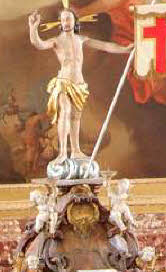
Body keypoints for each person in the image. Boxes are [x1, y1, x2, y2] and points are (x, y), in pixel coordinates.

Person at [28, 6, 132, 162]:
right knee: (65, 113)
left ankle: (76, 150)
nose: (66, 22)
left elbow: (105, 45)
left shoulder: (81, 40)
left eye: (69, 19)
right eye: (63, 20)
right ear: (60, 23)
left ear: (74, 21)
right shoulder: (57, 41)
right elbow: (38, 44)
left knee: (76, 117)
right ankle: (63, 152)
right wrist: (33, 28)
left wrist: (124, 49)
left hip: (79, 83)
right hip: (64, 82)